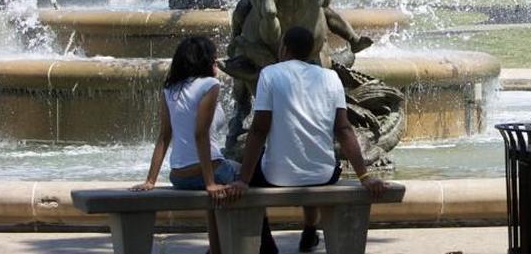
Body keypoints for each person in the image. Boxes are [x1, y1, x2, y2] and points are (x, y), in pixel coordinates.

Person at [226, 26, 388, 254]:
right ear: (312, 51)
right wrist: (365, 176)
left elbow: (259, 130)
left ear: (283, 48)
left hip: (276, 176)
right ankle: (310, 230)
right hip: (323, 175)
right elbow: (344, 129)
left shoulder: (270, 74)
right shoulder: (331, 77)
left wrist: (243, 180)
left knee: (244, 179)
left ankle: (268, 247)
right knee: (310, 156)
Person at [131, 36, 236, 254]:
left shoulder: (170, 89)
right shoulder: (210, 85)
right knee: (245, 175)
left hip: (178, 176)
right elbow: (200, 134)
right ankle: (257, 246)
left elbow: (163, 136)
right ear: (205, 60)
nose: (217, 60)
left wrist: (150, 180)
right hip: (210, 172)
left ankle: (215, 249)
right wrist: (210, 183)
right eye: (213, 57)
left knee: (219, 193)